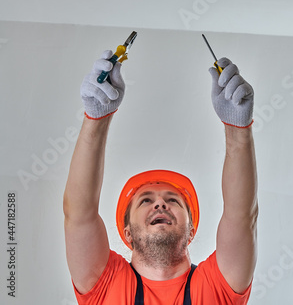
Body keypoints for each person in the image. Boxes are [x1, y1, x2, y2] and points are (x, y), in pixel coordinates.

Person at [63, 49, 258, 305]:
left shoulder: (217, 286)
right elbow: (79, 213)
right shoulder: (106, 283)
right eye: (145, 200)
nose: (160, 204)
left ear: (190, 231)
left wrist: (238, 129)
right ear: (127, 233)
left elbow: (241, 215)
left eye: (173, 200)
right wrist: (96, 118)